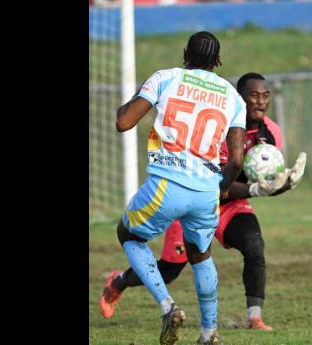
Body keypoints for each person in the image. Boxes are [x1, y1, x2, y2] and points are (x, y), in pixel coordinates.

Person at [101, 72, 306, 338]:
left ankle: (254, 317)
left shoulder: (272, 133)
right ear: (240, 99)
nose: (261, 102)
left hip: (230, 205)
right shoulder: (224, 128)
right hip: (198, 200)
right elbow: (218, 182)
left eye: (265, 96)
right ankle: (120, 281)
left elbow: (257, 182)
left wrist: (277, 185)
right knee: (170, 269)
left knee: (255, 246)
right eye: (254, 96)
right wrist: (259, 189)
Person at [99, 31, 248, 345]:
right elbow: (235, 159)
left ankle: (168, 306)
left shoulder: (166, 78)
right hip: (207, 190)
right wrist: (220, 187)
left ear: (185, 54)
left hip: (167, 184)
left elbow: (124, 122)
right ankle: (209, 334)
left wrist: (141, 94)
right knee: (201, 255)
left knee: (128, 235)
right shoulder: (233, 96)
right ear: (218, 61)